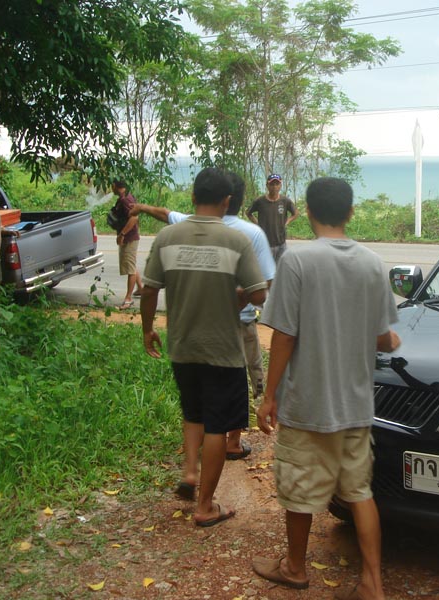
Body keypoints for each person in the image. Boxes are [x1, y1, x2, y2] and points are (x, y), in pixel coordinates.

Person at [252, 177, 400, 600]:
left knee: (299, 490)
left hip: (308, 403)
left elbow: (284, 335)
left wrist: (269, 395)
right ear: (350, 213)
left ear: (309, 214)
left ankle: (296, 568)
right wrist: (391, 341)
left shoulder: (298, 262)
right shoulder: (373, 263)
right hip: (355, 404)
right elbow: (382, 336)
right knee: (359, 491)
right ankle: (372, 582)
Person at [140, 167, 267, 527]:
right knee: (217, 425)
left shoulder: (167, 237)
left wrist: (148, 330)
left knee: (193, 413)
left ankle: (190, 474)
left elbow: (149, 289)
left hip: (182, 347)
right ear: (227, 202)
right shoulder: (236, 241)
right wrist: (237, 292)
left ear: (193, 197)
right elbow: (258, 293)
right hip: (223, 351)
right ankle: (206, 505)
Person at [245, 173, 299, 262]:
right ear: (267, 185)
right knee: (266, 272)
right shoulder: (260, 201)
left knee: (280, 269)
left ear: (280, 185)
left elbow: (296, 213)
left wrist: (287, 222)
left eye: (277, 184)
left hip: (281, 243)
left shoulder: (285, 201)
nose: (274, 187)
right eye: (272, 184)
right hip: (265, 243)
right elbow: (248, 213)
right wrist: (257, 223)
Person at [111, 180, 142, 309]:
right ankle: (141, 289)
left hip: (129, 238)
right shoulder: (126, 197)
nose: (111, 188)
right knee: (131, 265)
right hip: (130, 236)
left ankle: (128, 299)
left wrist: (122, 234)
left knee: (130, 268)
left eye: (112, 185)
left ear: (117, 187)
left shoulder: (124, 200)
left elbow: (134, 218)